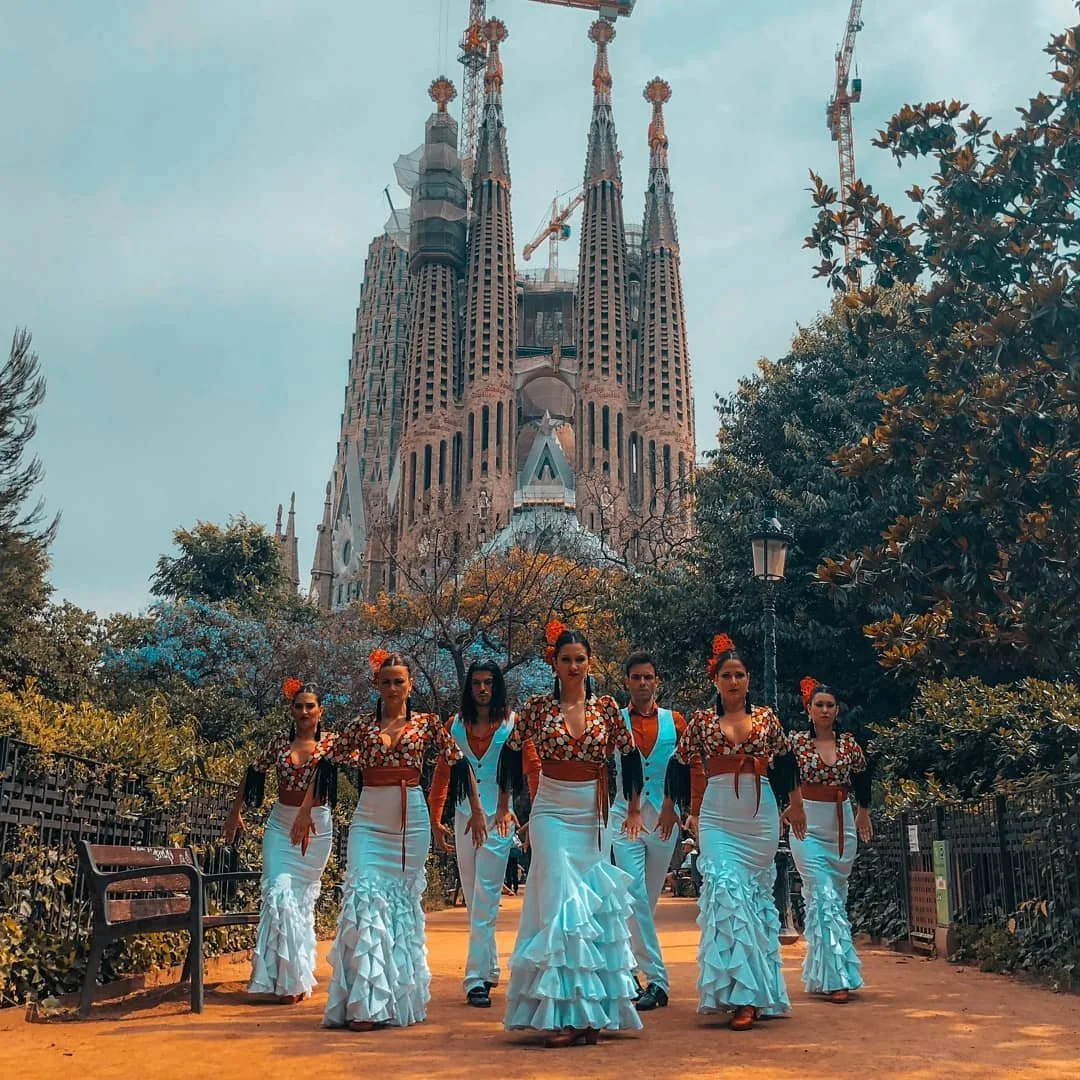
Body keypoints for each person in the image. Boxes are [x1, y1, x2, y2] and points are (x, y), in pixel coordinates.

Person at [292, 650, 488, 1031]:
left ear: (410, 684)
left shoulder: (428, 724)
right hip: (369, 818)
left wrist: (477, 810)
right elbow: (325, 761)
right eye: (386, 682)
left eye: (399, 681)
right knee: (364, 897)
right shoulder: (360, 726)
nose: (393, 687)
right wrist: (304, 809)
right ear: (376, 686)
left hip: (410, 821)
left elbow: (459, 762)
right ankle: (364, 1004)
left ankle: (392, 1000)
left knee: (399, 908)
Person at [495, 623, 646, 1048]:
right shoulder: (538, 708)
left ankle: (590, 1012)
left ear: (589, 662)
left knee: (592, 905)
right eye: (566, 659)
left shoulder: (608, 710)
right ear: (555, 664)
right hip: (551, 810)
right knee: (561, 899)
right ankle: (565, 1013)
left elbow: (629, 758)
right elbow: (510, 754)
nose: (574, 666)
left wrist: (633, 809)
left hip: (592, 812)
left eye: (580, 659)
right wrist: (506, 805)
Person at [663, 634, 806, 1031]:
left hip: (757, 818)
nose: (733, 681)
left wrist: (794, 804)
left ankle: (758, 992)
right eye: (726, 674)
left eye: (739, 674)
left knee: (755, 906)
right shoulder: (703, 721)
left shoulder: (766, 719)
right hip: (717, 816)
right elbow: (678, 764)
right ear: (716, 681)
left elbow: (787, 761)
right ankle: (739, 996)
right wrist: (671, 809)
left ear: (748, 680)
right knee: (726, 893)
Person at [428, 661, 541, 1009]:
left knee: (486, 897)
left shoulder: (512, 724)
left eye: (488, 683)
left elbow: (532, 768)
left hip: (499, 820)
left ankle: (475, 979)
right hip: (464, 818)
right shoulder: (455, 725)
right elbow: (443, 773)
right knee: (474, 896)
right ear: (469, 687)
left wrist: (536, 815)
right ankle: (489, 968)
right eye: (476, 683)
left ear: (496, 686)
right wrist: (435, 818)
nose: (482, 689)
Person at [223, 679, 337, 1004]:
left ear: (320, 711)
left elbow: (327, 779)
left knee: (300, 902)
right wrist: (235, 812)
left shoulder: (331, 744)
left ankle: (295, 979)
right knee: (278, 892)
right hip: (280, 823)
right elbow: (253, 770)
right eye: (298, 706)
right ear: (291, 710)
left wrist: (306, 812)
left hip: (316, 826)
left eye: (309, 706)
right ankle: (278, 980)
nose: (303, 711)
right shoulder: (278, 743)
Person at [611, 650, 705, 1012]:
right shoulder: (615, 720)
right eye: (636, 677)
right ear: (627, 682)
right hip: (625, 817)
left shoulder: (675, 721)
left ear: (657, 682)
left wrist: (686, 809)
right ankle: (658, 980)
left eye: (648, 677)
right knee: (633, 896)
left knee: (644, 903)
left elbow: (690, 765)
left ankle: (629, 971)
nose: (643, 683)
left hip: (664, 820)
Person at [786, 678, 873, 1004]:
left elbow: (864, 777)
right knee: (823, 896)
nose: (824, 710)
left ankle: (822, 972)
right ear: (808, 710)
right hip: (806, 825)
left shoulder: (850, 745)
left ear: (836, 711)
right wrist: (791, 805)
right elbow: (782, 774)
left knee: (833, 897)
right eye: (819, 704)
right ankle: (839, 977)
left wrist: (863, 811)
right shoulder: (795, 744)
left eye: (830, 705)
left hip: (842, 825)